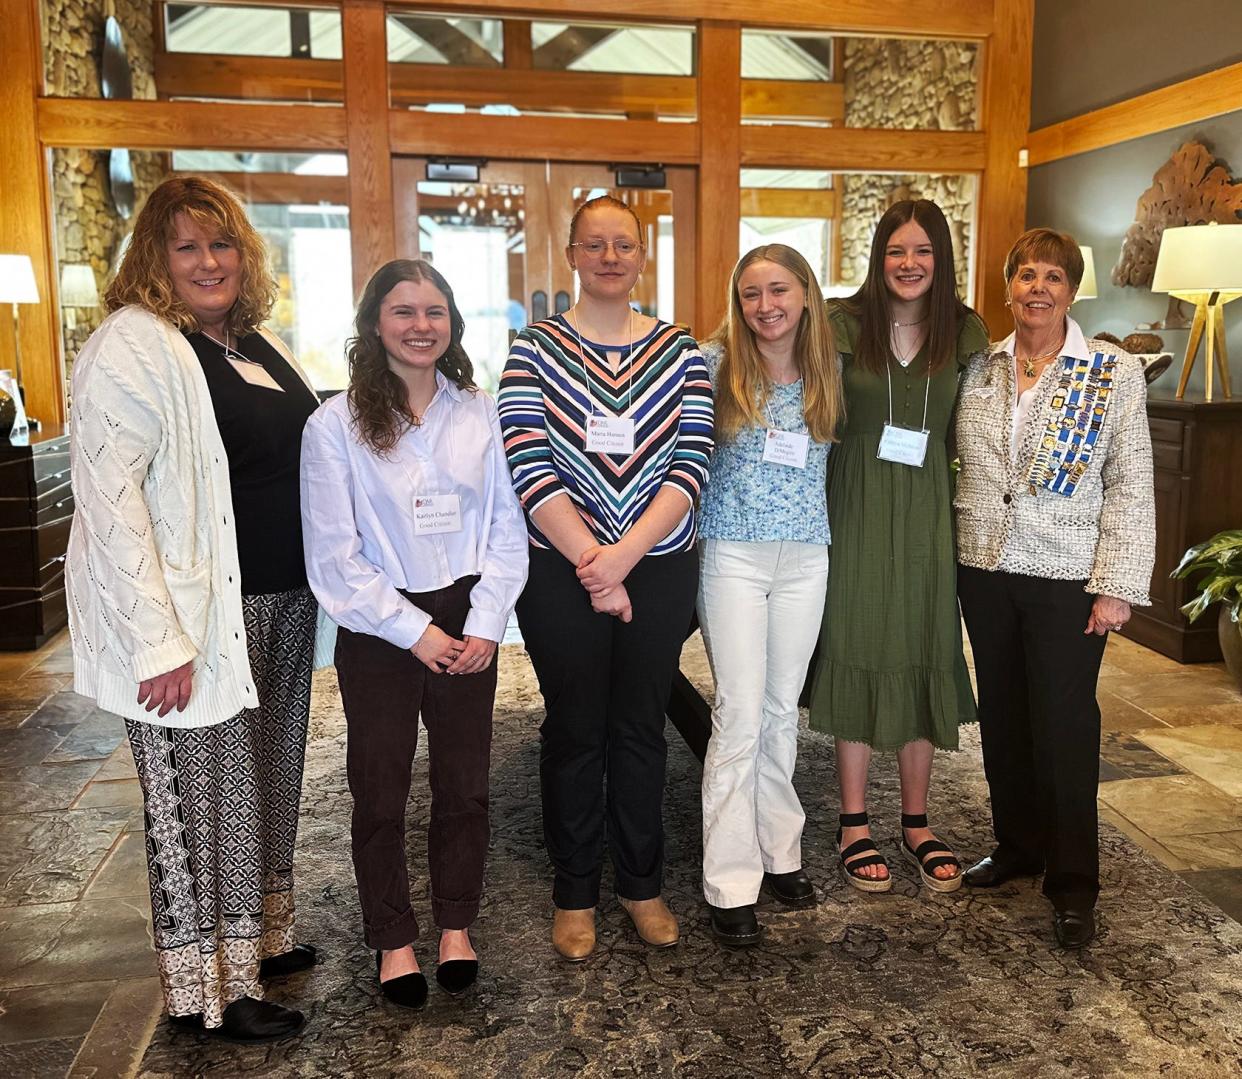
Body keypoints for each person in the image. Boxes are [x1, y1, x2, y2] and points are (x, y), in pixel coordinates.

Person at [66, 176, 320, 1042]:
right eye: (187, 246)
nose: (209, 261)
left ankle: (260, 940)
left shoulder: (254, 340)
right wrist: (156, 640)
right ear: (154, 259)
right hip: (193, 619)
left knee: (263, 784)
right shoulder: (133, 346)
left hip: (280, 602)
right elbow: (110, 502)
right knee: (201, 799)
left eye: (223, 245)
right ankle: (207, 990)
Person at [301, 259, 528, 1007]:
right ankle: (393, 938)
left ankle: (456, 926)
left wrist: (487, 621)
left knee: (464, 784)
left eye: (435, 311)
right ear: (374, 323)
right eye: (404, 311)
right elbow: (334, 558)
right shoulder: (332, 425)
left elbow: (506, 527)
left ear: (454, 323)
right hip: (379, 624)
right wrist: (415, 631)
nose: (421, 325)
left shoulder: (482, 413)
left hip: (469, 613)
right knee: (380, 788)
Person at [497, 195, 713, 961]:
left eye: (625, 243)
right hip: (560, 570)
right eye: (597, 243)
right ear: (573, 253)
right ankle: (575, 888)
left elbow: (692, 463)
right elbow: (527, 460)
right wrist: (593, 561)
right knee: (574, 726)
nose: (612, 255)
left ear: (642, 254)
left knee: (641, 725)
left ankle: (642, 884)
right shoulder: (532, 351)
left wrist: (621, 560)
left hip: (655, 566)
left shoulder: (683, 353)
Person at [954, 227, 1155, 948]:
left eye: (1053, 277)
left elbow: (1130, 483)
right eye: (1027, 274)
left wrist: (1117, 585)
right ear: (1009, 286)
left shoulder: (1112, 372)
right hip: (983, 567)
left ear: (1072, 290)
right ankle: (1018, 845)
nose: (1038, 287)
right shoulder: (979, 368)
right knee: (1003, 713)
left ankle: (1073, 880)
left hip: (1069, 577)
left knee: (1065, 726)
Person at [807, 199, 988, 895]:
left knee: (922, 644)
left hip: (926, 514)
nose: (908, 264)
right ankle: (854, 821)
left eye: (922, 252)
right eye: (895, 251)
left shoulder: (966, 332)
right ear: (877, 258)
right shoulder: (842, 325)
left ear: (940, 260)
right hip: (853, 502)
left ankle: (916, 819)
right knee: (855, 642)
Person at [695, 244, 842, 945]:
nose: (765, 306)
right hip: (732, 556)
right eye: (750, 293)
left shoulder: (829, 371)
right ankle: (729, 879)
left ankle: (780, 852)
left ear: (805, 295)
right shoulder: (713, 365)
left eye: (778, 290)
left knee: (785, 711)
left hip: (806, 557)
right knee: (740, 713)